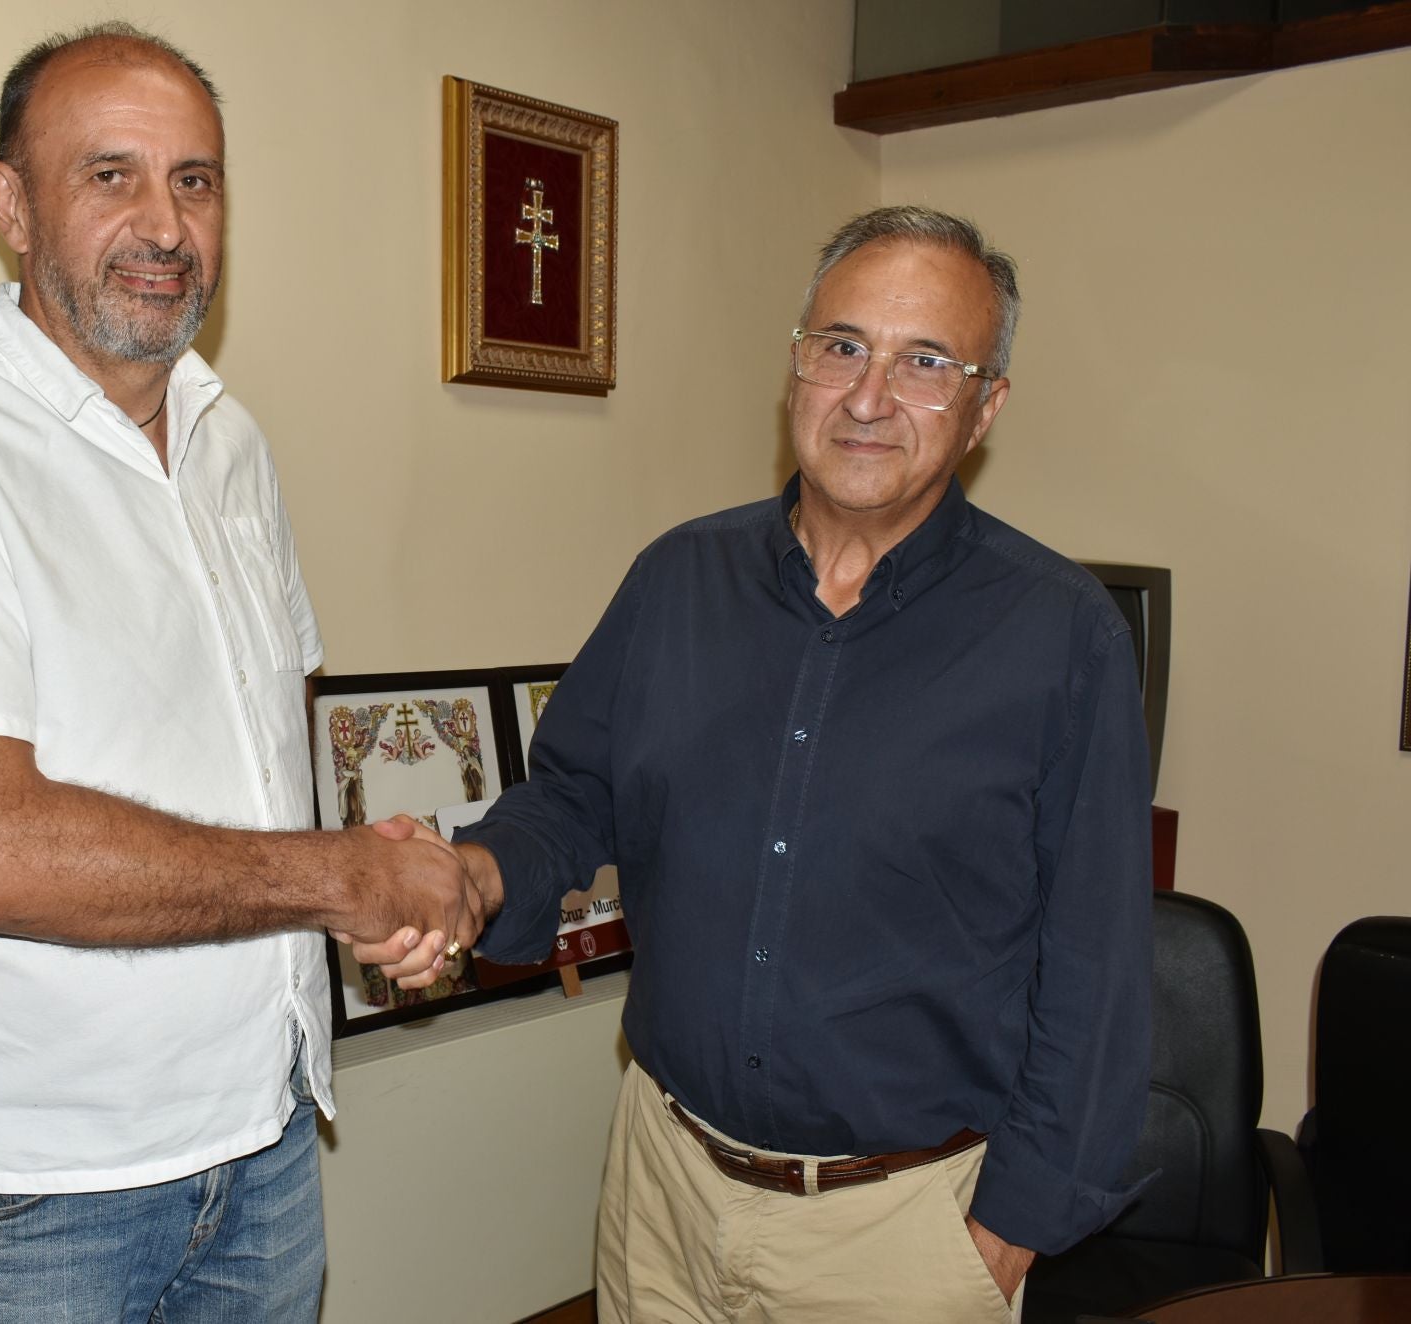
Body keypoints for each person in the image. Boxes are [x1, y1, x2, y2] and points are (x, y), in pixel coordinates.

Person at [363, 206, 1152, 1321]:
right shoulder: (678, 578)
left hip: (900, 1235)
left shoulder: (1062, 638)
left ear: (985, 407)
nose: (869, 395)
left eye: (926, 361)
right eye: (841, 346)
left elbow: (1099, 968)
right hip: (664, 1189)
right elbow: (576, 793)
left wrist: (1005, 1233)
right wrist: (472, 874)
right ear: (795, 367)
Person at [0, 23, 476, 1321]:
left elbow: (264, 763)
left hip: (266, 1156)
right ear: (9, 204)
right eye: (109, 174)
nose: (164, 224)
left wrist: (389, 903)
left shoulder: (237, 449)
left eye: (196, 179)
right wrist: (340, 880)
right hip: (30, 1209)